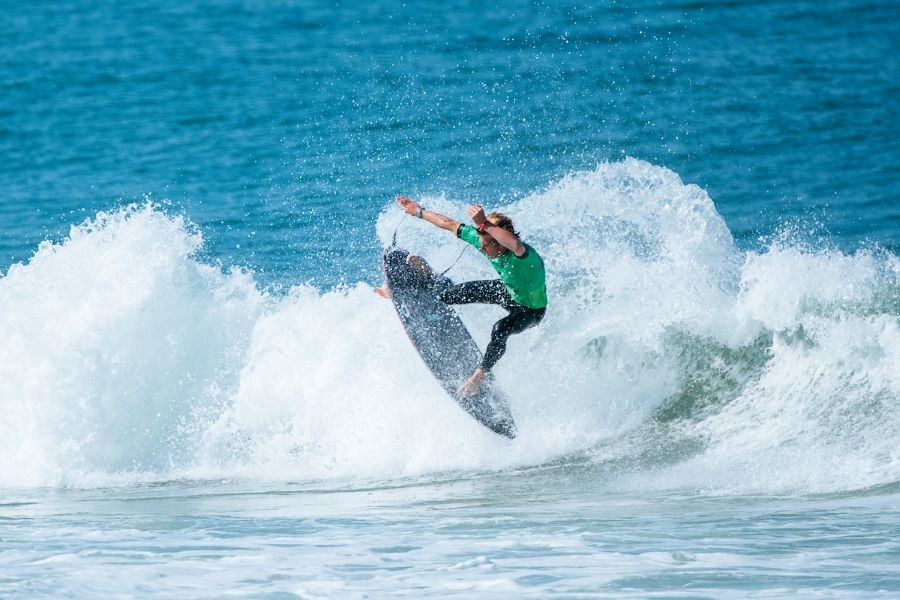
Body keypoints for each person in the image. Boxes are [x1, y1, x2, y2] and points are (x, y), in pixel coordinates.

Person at [396, 195, 547, 397]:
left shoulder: (523, 256)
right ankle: (430, 277)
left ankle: (480, 374)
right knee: (451, 295)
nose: (482, 248)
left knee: (500, 329)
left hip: (531, 310)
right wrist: (418, 212)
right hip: (508, 291)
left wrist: (484, 223)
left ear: (500, 243)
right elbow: (450, 224)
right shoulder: (485, 240)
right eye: (481, 243)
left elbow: (515, 244)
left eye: (486, 244)